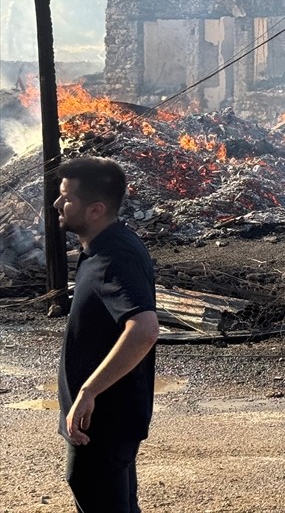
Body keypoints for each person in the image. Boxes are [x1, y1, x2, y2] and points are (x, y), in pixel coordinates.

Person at [55, 156, 158, 513]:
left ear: (96, 208)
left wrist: (88, 391)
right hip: (108, 419)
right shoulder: (107, 245)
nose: (57, 204)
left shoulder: (112, 258)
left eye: (67, 197)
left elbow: (144, 329)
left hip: (102, 421)